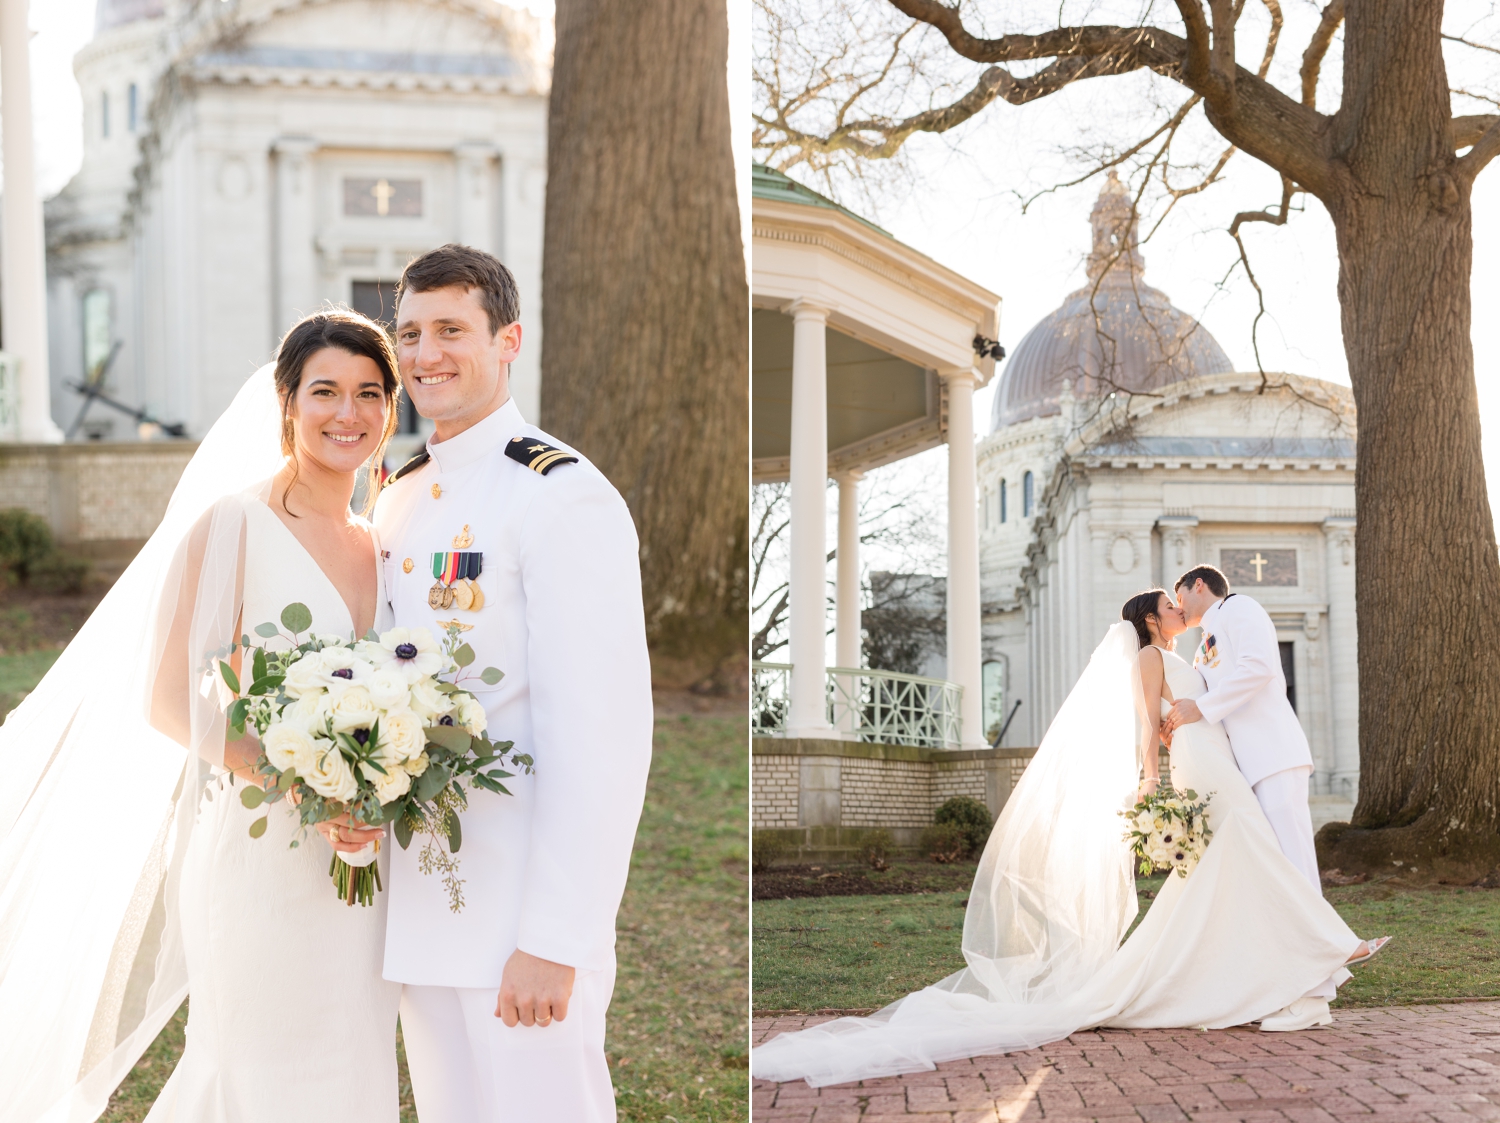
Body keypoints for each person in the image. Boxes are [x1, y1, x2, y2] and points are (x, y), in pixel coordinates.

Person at [0, 310, 409, 1122]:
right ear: (287, 402)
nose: (347, 413)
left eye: (369, 393)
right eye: (324, 390)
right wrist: (303, 785)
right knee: (255, 1069)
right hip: (262, 853)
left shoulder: (383, 536)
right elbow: (166, 697)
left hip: (368, 864)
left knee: (349, 1055)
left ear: (391, 410)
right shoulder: (235, 523)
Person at [751, 588, 1387, 1089]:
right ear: (1150, 618)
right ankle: (1333, 947)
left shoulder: (1183, 655)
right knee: (1252, 853)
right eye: (1170, 604)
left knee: (1241, 866)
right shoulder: (1148, 656)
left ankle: (1277, 966)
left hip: (1219, 757)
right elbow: (1146, 723)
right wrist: (1149, 778)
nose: (1179, 607)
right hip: (1201, 764)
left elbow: (1207, 699)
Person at [373, 244, 653, 1122]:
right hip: (422, 904)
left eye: (452, 329)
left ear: (509, 341)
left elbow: (601, 738)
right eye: (410, 333)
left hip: (519, 919)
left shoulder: (561, 496)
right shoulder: (398, 497)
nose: (426, 354)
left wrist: (557, 937)